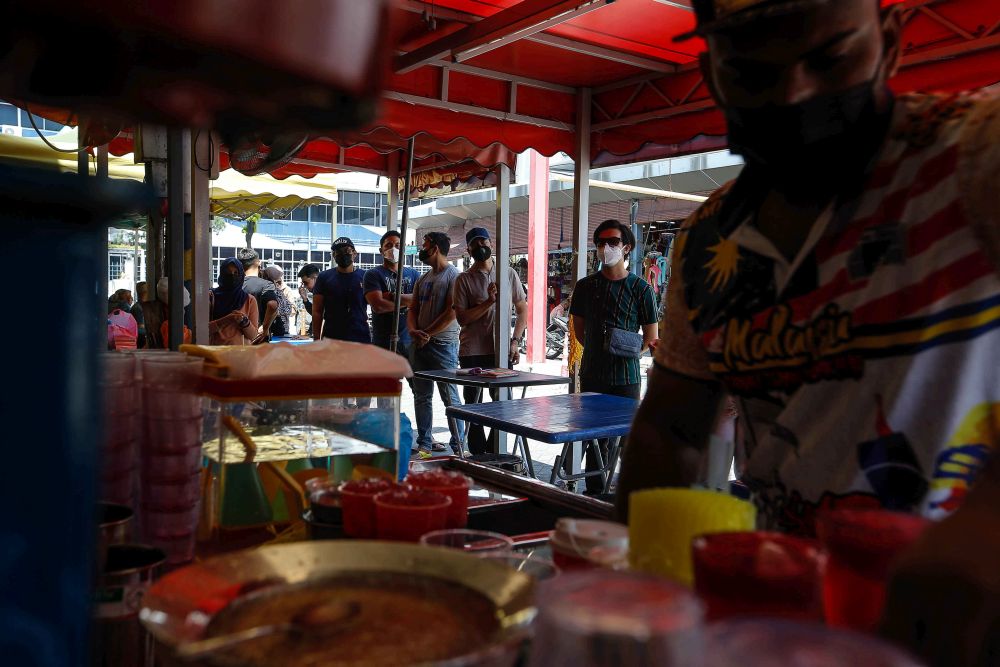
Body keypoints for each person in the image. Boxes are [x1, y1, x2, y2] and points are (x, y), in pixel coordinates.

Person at [615, 1, 1000, 663]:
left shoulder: (970, 155)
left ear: (889, 44)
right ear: (712, 76)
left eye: (829, 59)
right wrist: (629, 587)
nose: (794, 94)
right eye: (752, 72)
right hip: (784, 622)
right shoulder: (709, 240)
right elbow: (670, 429)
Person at [569, 219, 658, 492]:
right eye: (600, 243)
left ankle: (627, 492)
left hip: (627, 377)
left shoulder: (641, 289)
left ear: (627, 247)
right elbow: (580, 332)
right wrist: (600, 349)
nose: (605, 247)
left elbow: (651, 338)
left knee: (625, 439)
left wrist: (626, 349)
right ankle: (594, 492)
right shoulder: (585, 287)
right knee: (591, 438)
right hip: (593, 375)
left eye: (612, 242)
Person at [453, 227, 528, 455]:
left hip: (500, 350)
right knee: (474, 403)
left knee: (503, 402)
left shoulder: (508, 273)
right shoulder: (463, 280)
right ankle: (477, 453)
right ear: (468, 250)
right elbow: (462, 318)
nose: (480, 247)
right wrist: (488, 302)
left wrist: (515, 341)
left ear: (491, 244)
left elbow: (522, 309)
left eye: (483, 242)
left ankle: (494, 451)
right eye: (474, 245)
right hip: (472, 351)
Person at [408, 232, 465, 454]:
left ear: (436, 248)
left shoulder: (454, 276)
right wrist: (414, 331)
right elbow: (413, 309)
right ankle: (424, 441)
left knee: (450, 396)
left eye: (425, 244)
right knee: (422, 396)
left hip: (443, 345)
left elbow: (452, 312)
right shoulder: (423, 278)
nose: (422, 248)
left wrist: (426, 334)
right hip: (420, 345)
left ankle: (458, 444)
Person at [364, 230, 419, 356]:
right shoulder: (373, 274)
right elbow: (379, 306)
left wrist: (393, 296)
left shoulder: (413, 274)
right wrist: (409, 303)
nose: (393, 249)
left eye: (398, 246)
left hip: (409, 340)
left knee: (413, 375)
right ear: (381, 250)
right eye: (388, 245)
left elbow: (421, 300)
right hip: (383, 342)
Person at [312, 237, 370, 344]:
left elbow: (375, 305)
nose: (343, 254)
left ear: (355, 253)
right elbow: (317, 311)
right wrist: (316, 339)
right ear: (333, 256)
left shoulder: (365, 276)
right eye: (338, 252)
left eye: (347, 251)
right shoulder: (324, 277)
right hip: (332, 337)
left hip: (360, 336)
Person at [208, 258, 259, 345]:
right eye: (228, 272)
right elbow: (203, 330)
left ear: (241, 275)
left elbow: (253, 336)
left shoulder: (249, 300)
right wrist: (227, 319)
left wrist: (244, 322)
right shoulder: (211, 296)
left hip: (240, 355)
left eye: (236, 273)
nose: (232, 276)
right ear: (222, 274)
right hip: (215, 354)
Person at [237, 247, 278, 344]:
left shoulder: (234, 285)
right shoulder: (266, 285)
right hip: (258, 338)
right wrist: (265, 327)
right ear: (258, 262)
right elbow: (273, 305)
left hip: (237, 337)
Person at [262, 265, 295, 339]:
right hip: (267, 329)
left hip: (279, 329)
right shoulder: (266, 290)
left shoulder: (279, 291)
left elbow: (289, 309)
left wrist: (276, 312)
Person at [297, 263, 320, 334]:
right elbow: (316, 312)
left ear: (315, 278)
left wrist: (310, 336)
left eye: (306, 283)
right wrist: (305, 299)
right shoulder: (317, 292)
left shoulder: (325, 291)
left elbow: (321, 316)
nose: (305, 287)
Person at [131, 282, 148, 348]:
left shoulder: (138, 306)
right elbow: (140, 327)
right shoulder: (139, 308)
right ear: (145, 292)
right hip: (140, 341)